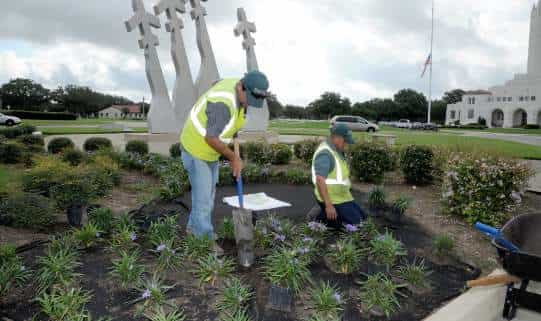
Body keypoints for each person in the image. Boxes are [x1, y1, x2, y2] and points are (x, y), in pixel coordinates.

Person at [180, 71, 270, 253]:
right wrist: (233, 157)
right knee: (204, 199)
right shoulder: (223, 104)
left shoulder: (237, 86)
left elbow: (216, 82)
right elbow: (211, 138)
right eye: (248, 99)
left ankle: (193, 228)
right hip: (196, 148)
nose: (248, 104)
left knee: (207, 194)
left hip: (210, 152)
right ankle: (203, 240)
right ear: (241, 87)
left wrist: (234, 128)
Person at [311, 124, 366, 229]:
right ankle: (319, 217)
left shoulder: (337, 150)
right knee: (355, 225)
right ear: (336, 137)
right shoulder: (325, 154)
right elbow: (320, 179)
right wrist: (328, 205)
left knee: (363, 218)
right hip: (331, 199)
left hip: (342, 197)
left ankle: (324, 213)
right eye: (345, 141)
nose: (346, 144)